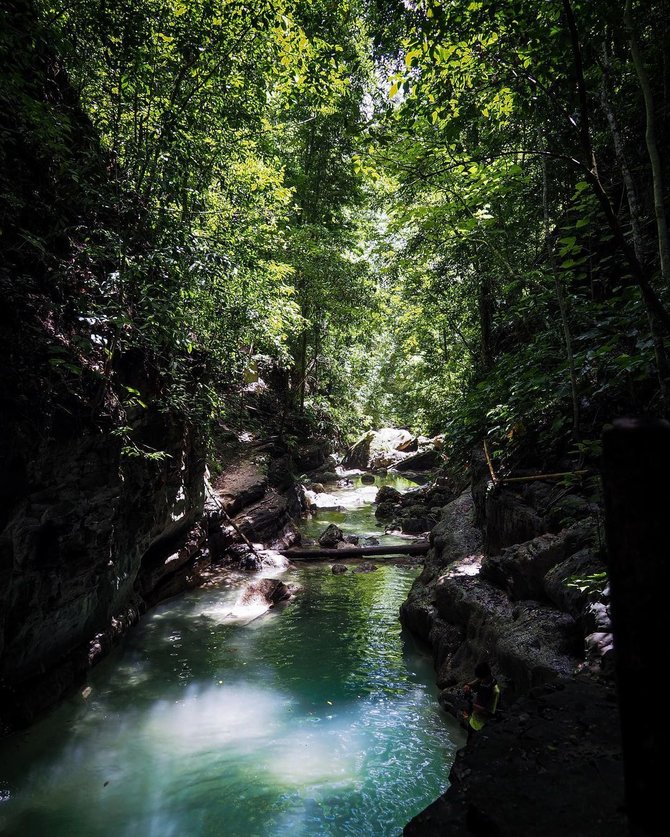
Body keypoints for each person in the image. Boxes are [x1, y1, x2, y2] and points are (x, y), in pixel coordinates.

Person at [460, 660, 500, 739]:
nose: (480, 681)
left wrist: (471, 704)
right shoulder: (485, 679)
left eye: (482, 679)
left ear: (487, 676)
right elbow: (477, 680)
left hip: (480, 727)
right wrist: (468, 685)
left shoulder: (495, 692)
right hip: (473, 721)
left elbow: (489, 713)